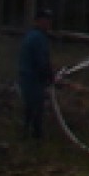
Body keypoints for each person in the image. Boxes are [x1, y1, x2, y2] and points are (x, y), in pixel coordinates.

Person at [17, 8, 59, 142]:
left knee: (30, 107)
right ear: (38, 21)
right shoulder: (38, 38)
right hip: (32, 79)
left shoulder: (33, 36)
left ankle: (26, 134)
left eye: (49, 21)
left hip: (29, 77)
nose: (48, 24)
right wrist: (49, 76)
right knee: (36, 107)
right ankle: (36, 137)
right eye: (46, 20)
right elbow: (41, 61)